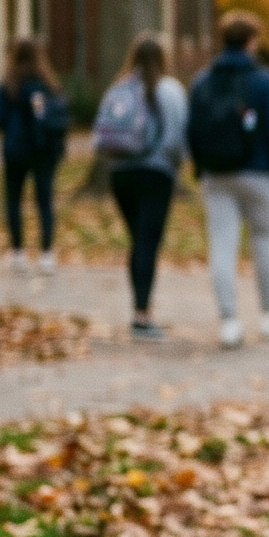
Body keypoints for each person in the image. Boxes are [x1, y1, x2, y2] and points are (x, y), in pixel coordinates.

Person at [189, 11, 269, 351]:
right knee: (264, 241)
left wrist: (201, 165)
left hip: (217, 174)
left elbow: (193, 129)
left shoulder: (202, 81)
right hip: (259, 171)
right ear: (251, 41)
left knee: (222, 245)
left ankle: (229, 322)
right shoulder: (264, 80)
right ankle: (268, 315)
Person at [97, 34, 189, 342]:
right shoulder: (170, 90)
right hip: (156, 174)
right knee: (147, 242)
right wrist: (176, 168)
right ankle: (142, 315)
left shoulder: (120, 87)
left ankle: (139, 309)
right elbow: (177, 139)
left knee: (138, 240)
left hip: (120, 174)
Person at [0, 38, 69, 273]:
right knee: (45, 201)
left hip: (15, 150)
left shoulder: (8, 86)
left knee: (13, 200)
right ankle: (46, 254)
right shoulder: (48, 84)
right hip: (43, 150)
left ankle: (17, 253)